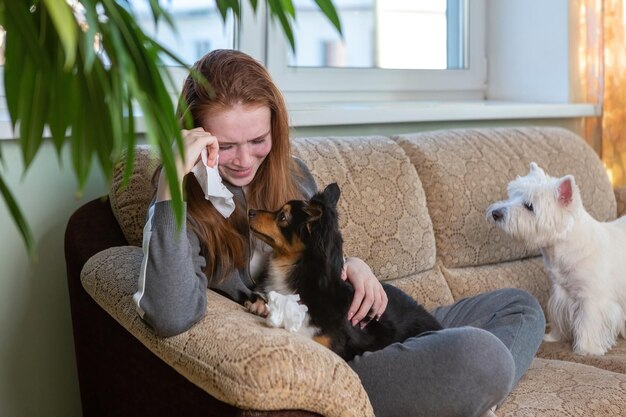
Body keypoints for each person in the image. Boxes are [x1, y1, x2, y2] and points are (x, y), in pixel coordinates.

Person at [133, 49, 545, 417]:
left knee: (520, 307)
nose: (243, 160)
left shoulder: (292, 175)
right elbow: (170, 315)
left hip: (373, 328)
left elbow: (319, 266)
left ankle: (468, 394)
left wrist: (353, 266)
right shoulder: (181, 209)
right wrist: (171, 187)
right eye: (225, 145)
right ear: (193, 136)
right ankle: (468, 388)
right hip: (339, 361)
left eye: (258, 139)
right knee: (480, 354)